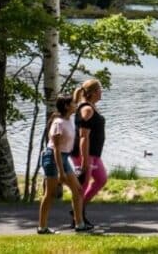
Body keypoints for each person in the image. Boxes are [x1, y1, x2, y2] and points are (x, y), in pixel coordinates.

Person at [38, 94, 93, 234]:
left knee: (78, 190)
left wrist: (81, 91)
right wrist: (61, 172)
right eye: (73, 103)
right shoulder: (58, 123)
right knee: (50, 194)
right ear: (67, 106)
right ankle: (42, 227)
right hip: (52, 158)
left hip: (64, 158)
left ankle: (79, 224)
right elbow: (56, 149)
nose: (76, 105)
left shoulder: (69, 119)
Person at [69, 79, 107, 228]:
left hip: (94, 154)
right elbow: (83, 136)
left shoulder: (92, 107)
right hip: (84, 154)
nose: (101, 92)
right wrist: (85, 160)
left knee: (101, 179)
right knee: (82, 186)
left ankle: (78, 210)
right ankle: (78, 219)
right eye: (100, 89)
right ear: (93, 92)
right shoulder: (86, 110)